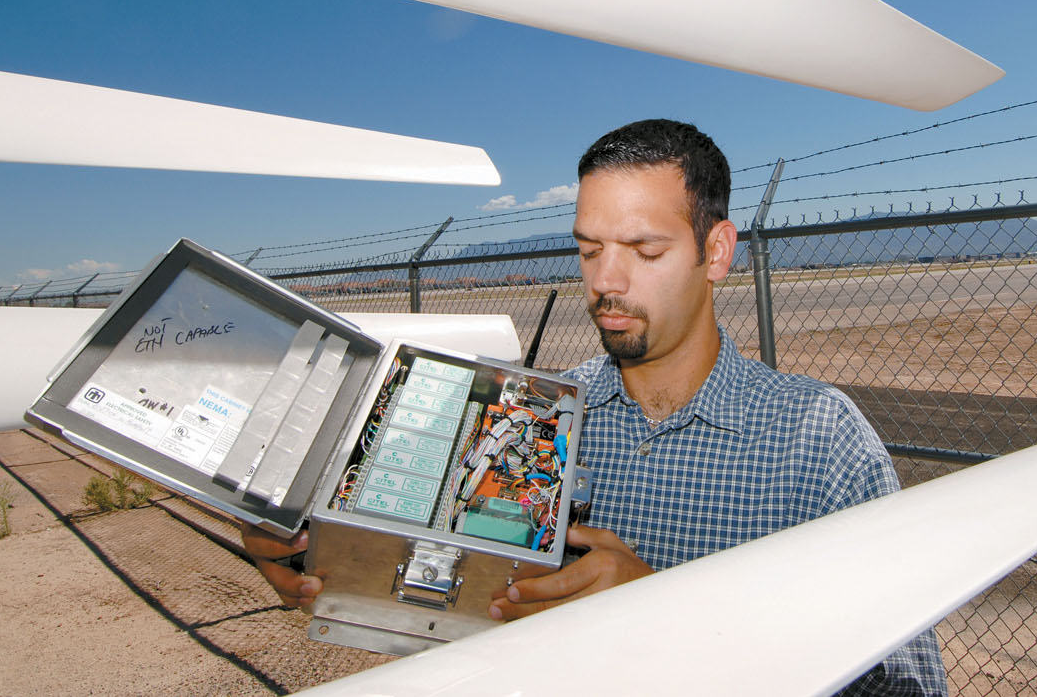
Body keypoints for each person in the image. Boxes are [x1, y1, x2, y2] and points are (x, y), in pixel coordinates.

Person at [244, 119, 947, 695]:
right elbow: (444, 615)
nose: (606, 282)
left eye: (644, 250)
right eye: (589, 251)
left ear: (717, 251)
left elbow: (901, 688)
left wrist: (660, 617)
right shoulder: (534, 418)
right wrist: (323, 567)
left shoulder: (817, 441)